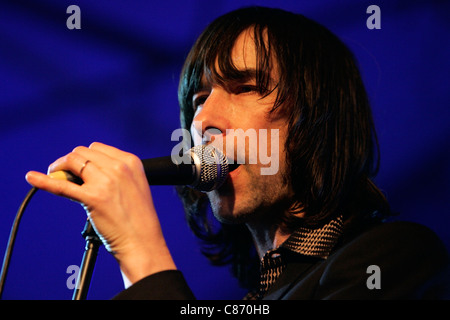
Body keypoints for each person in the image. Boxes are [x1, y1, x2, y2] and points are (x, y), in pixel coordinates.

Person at [25, 6, 448, 300]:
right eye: (197, 99)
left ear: (316, 119)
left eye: (244, 88)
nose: (204, 118)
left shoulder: (396, 258)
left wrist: (140, 249)